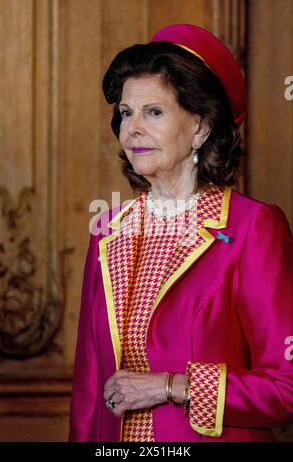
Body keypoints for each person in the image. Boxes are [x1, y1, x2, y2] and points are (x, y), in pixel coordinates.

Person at [69, 24, 293, 442]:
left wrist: (172, 385)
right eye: (125, 112)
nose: (131, 129)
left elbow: (288, 386)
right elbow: (87, 395)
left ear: (202, 127)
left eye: (154, 112)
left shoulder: (252, 229)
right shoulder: (107, 233)